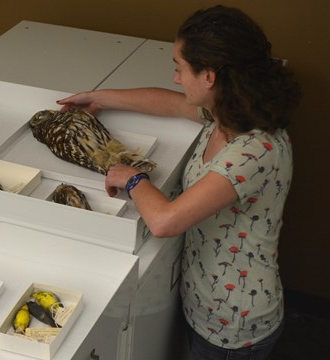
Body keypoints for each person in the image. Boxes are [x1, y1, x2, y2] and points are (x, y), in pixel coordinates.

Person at [57, 5, 300, 360]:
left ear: (209, 77)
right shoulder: (229, 110)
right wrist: (99, 97)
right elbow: (170, 104)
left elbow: (165, 221)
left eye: (179, 67)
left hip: (232, 327)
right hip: (205, 304)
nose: (175, 77)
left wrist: (132, 177)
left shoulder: (254, 150)